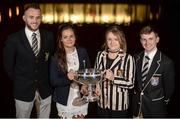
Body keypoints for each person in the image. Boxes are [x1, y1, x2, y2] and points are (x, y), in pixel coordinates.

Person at [3, 3, 55, 118]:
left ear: (41, 18)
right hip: (23, 91)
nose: (35, 21)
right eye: (31, 17)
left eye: (38, 17)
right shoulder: (13, 39)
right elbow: (8, 66)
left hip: (45, 90)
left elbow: (51, 61)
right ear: (24, 18)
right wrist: (21, 81)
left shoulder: (49, 36)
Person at [132, 25, 175, 118]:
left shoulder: (166, 62)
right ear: (140, 41)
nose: (147, 43)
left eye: (150, 39)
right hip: (137, 109)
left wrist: (161, 102)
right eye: (144, 39)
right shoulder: (136, 58)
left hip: (155, 110)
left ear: (157, 39)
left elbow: (169, 88)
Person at [50, 23, 91, 118]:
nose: (69, 39)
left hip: (81, 96)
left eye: (71, 36)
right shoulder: (56, 57)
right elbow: (53, 81)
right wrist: (68, 78)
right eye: (65, 37)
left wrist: (85, 84)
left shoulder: (82, 51)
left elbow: (88, 72)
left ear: (75, 37)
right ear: (61, 39)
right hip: (64, 99)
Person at [94, 25, 135, 118]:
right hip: (102, 103)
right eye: (109, 39)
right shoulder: (100, 55)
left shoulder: (128, 58)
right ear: (106, 41)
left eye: (116, 39)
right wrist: (97, 87)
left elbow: (130, 83)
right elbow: (96, 76)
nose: (112, 42)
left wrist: (113, 78)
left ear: (121, 40)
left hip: (119, 106)